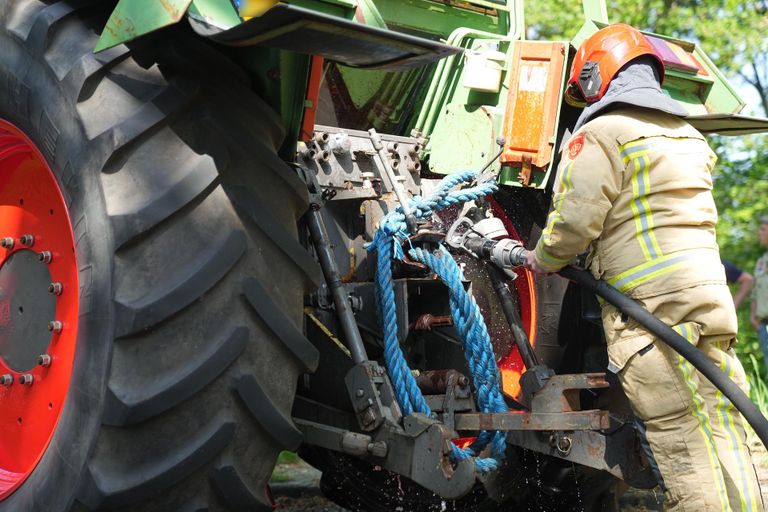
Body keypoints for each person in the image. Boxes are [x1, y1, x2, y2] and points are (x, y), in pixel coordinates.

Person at [522, 23, 762, 511]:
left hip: (652, 314)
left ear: (594, 79)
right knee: (728, 427)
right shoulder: (688, 135)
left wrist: (540, 259)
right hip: (707, 304)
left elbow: (575, 219)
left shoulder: (602, 134)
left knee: (686, 445)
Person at [751, 216, 768, 371]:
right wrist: (753, 316)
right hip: (764, 324)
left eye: (763, 229)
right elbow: (755, 290)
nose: (759, 233)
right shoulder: (762, 262)